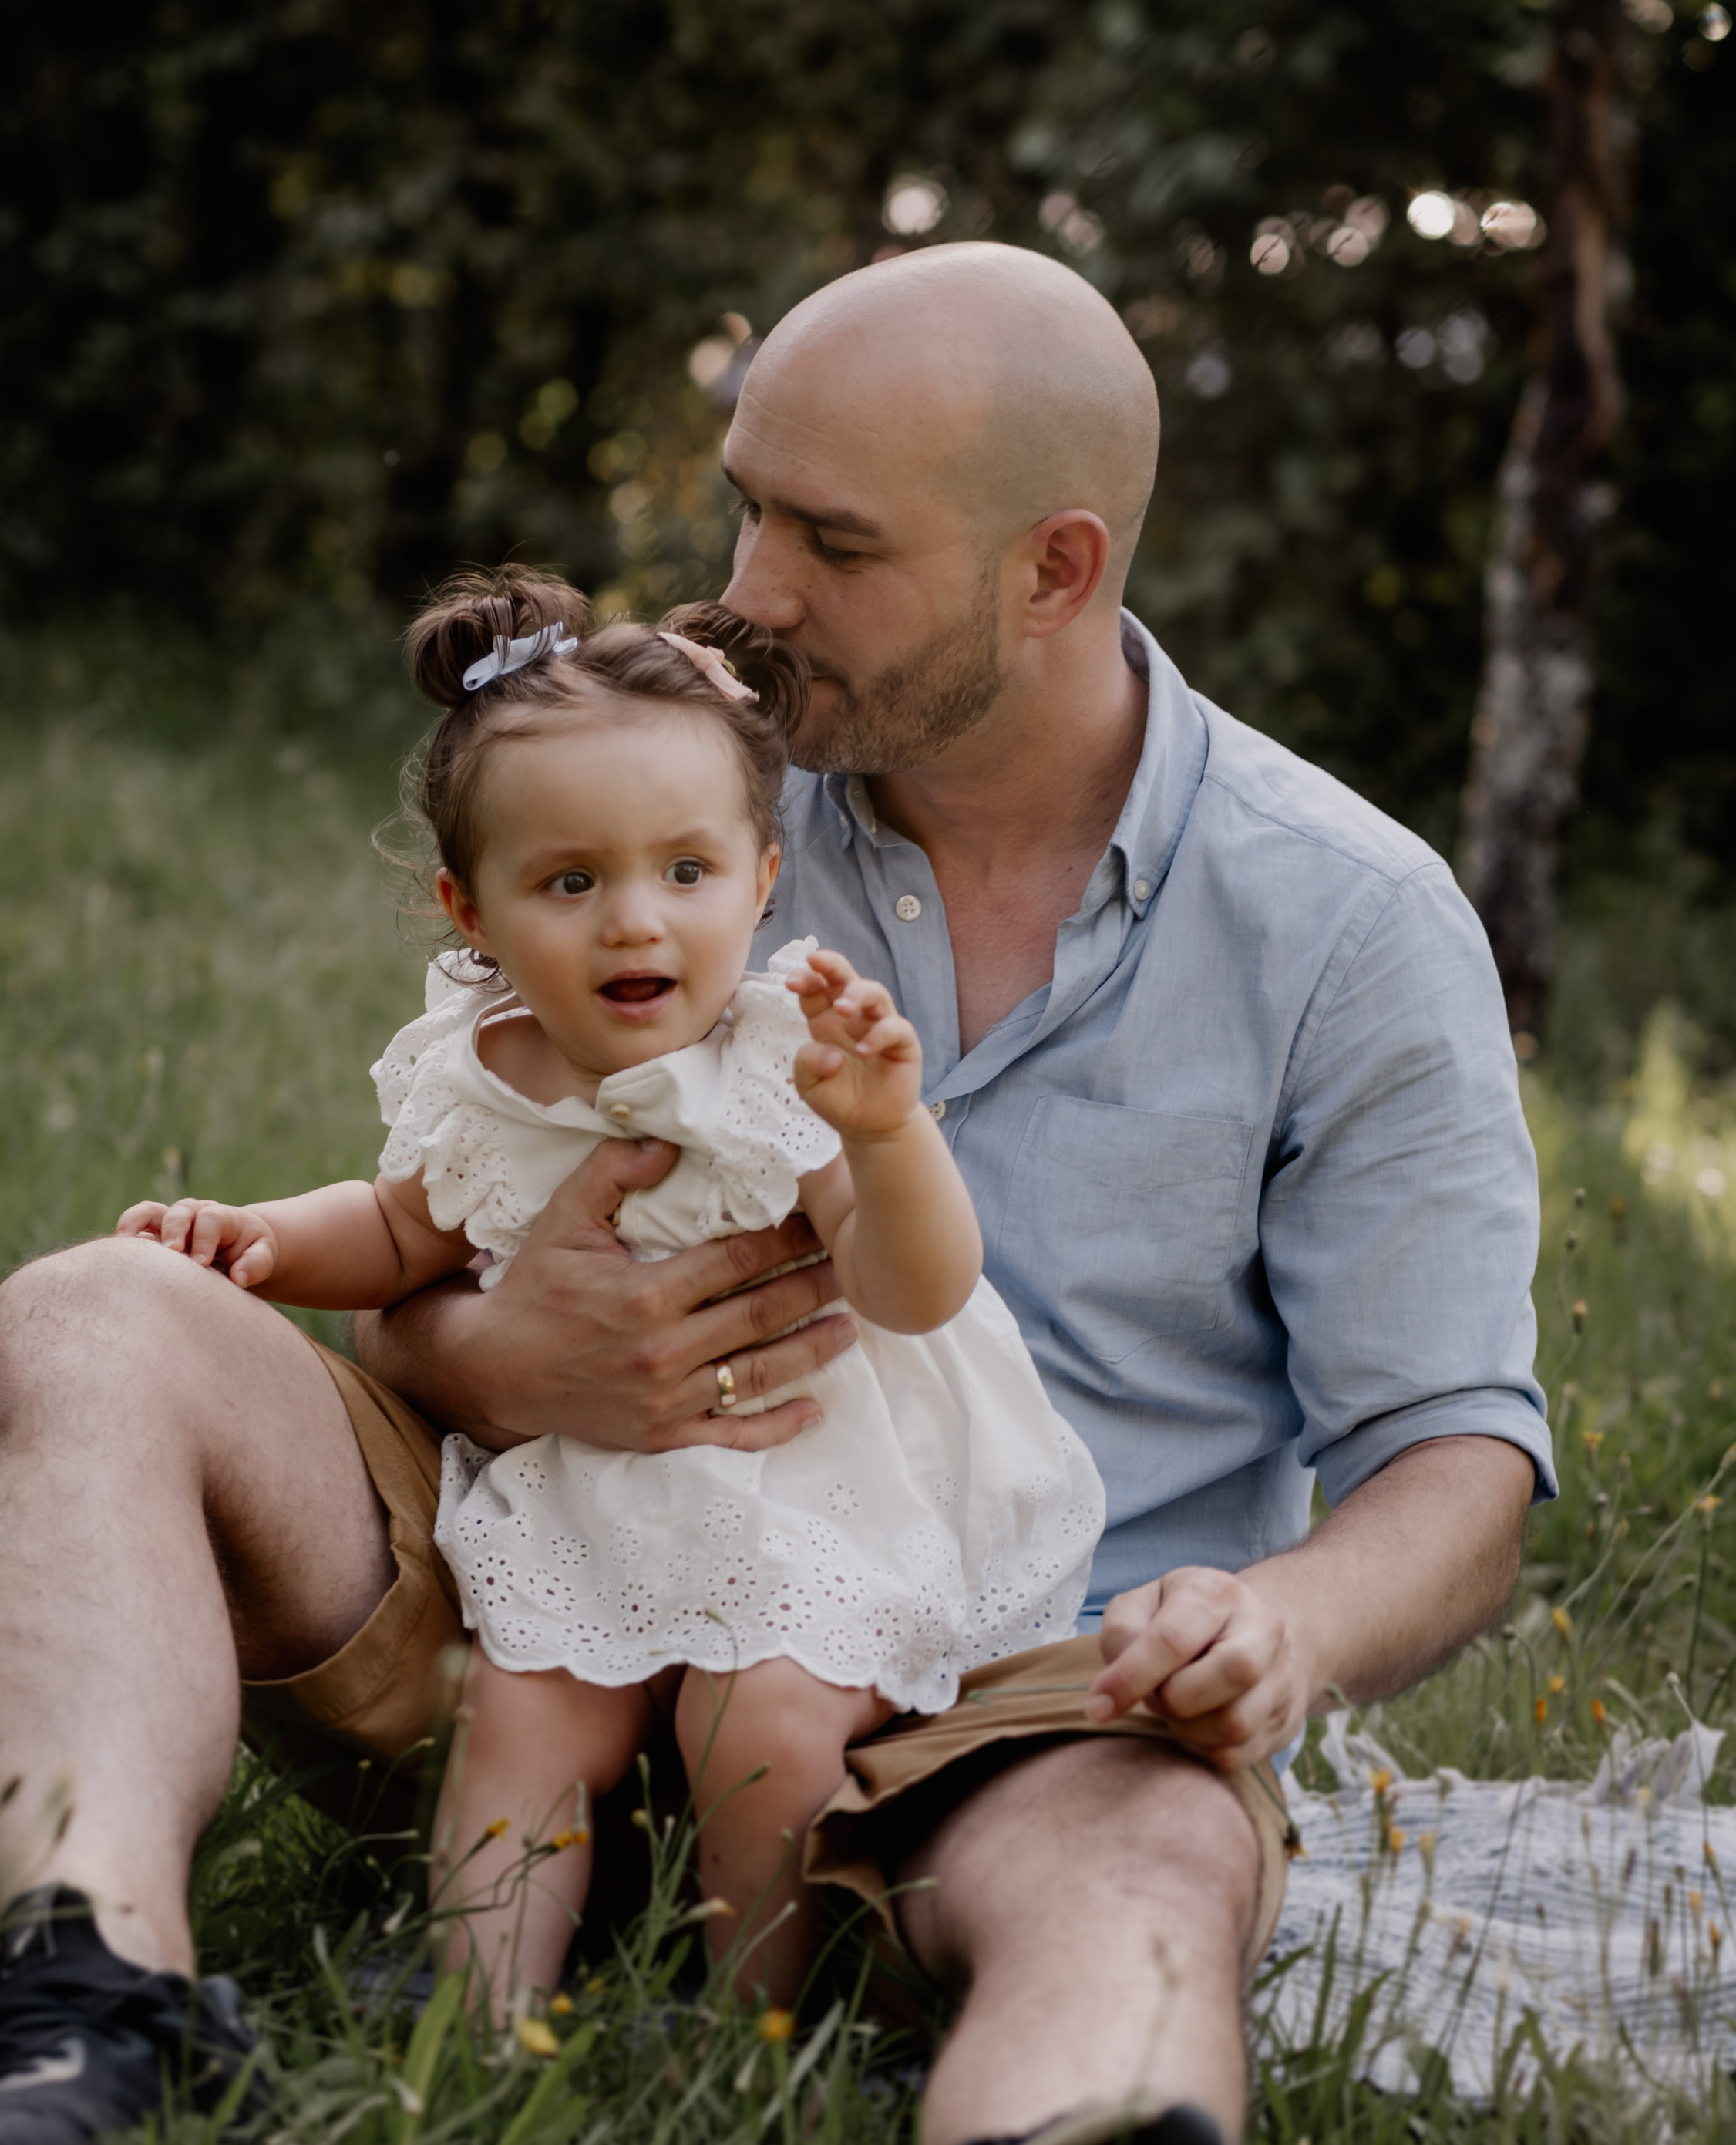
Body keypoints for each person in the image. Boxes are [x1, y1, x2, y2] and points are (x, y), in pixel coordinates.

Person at [0, 243, 1553, 2145]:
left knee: (1156, 1841)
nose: (748, 587)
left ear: (1055, 568)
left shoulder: (1346, 923)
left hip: (988, 1710)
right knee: (93, 1313)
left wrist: (1282, 1626)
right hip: (542, 1621)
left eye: (831, 543)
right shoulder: (663, 783)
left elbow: (1460, 1466)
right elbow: (438, 1220)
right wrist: (490, 1360)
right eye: (750, 502)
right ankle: (100, 2003)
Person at [109, 582, 1102, 2019]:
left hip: (814, 1493)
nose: (636, 922)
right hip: (596, 1496)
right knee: (519, 1723)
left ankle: (752, 2030)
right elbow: (400, 1231)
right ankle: (481, 2028)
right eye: (571, 884)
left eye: (685, 872)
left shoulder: (783, 1065)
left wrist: (887, 1139)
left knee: (757, 1728)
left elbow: (915, 1288)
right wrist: (253, 1238)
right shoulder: (488, 1072)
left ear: (762, 879)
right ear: (474, 909)